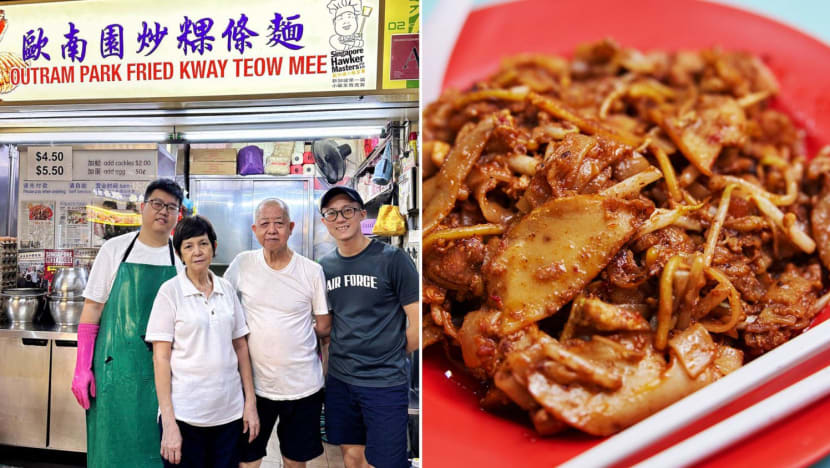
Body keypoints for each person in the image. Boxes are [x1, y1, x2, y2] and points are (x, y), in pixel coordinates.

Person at [71, 178, 184, 467]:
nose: (163, 211)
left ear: (178, 215)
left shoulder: (180, 257)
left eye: (172, 207)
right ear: (144, 207)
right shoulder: (114, 250)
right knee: (112, 448)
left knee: (157, 450)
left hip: (164, 374)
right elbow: (93, 309)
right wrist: (82, 367)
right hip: (114, 371)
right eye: (157, 204)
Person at [146, 215, 259, 467]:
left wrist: (249, 402)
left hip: (229, 416)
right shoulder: (170, 292)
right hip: (186, 417)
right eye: (188, 246)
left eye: (203, 243)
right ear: (179, 254)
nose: (197, 251)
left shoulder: (226, 289)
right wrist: (169, 422)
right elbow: (160, 358)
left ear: (214, 247)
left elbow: (240, 346)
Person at [225, 198, 331, 468]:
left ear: (291, 227)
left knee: (295, 461)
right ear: (254, 229)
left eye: (279, 223)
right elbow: (221, 306)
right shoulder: (242, 264)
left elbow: (324, 329)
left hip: (304, 387)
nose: (272, 230)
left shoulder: (311, 271)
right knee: (247, 460)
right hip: (255, 388)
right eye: (265, 224)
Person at [317, 186, 419, 468]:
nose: (340, 218)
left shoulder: (392, 260)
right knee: (351, 456)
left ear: (362, 215)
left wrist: (393, 354)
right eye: (332, 213)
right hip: (341, 381)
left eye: (348, 210)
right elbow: (328, 323)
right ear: (324, 221)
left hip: (384, 383)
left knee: (385, 462)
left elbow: (418, 321)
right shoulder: (324, 267)